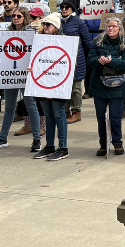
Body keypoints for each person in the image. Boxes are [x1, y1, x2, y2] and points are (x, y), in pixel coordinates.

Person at [0, 8, 43, 153]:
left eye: (19, 16)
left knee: (31, 106)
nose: (15, 18)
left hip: (26, 75)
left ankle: (37, 139)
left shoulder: (32, 34)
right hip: (10, 75)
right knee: (9, 107)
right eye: (13, 15)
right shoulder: (7, 33)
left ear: (25, 17)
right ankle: (2, 138)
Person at [32, 13, 75, 161]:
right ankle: (49, 146)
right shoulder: (39, 41)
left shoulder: (65, 42)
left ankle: (63, 148)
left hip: (57, 83)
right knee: (48, 115)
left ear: (56, 27)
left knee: (59, 114)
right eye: (44, 24)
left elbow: (69, 63)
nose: (45, 27)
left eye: (48, 25)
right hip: (43, 83)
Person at [87, 17, 125, 157]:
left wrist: (112, 61)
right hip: (99, 84)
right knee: (101, 117)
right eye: (108, 26)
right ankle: (103, 144)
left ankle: (117, 143)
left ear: (119, 28)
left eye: (114, 26)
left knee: (115, 116)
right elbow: (90, 62)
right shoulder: (98, 42)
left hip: (117, 85)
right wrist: (98, 60)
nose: (111, 29)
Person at [58, 0, 89, 124]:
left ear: (72, 9)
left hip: (76, 59)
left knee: (75, 88)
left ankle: (76, 112)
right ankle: (65, 112)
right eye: (62, 7)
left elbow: (87, 42)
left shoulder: (79, 22)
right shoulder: (58, 22)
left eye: (67, 7)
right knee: (64, 87)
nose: (64, 10)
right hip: (61, 60)